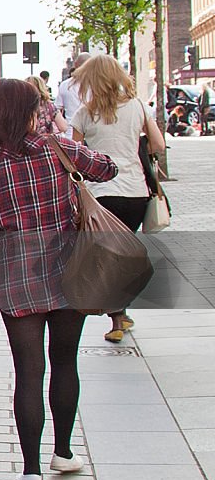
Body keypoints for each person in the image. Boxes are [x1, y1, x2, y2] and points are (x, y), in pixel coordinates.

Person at [0, 78, 116, 480]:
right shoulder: (55, 146)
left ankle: (30, 469)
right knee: (65, 360)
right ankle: (63, 453)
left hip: (15, 268)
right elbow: (107, 168)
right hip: (69, 264)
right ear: (30, 111)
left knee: (28, 372)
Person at [71, 55, 165, 343]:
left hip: (102, 195)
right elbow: (158, 144)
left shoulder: (85, 114)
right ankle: (120, 312)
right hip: (135, 193)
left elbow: (73, 156)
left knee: (109, 257)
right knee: (123, 254)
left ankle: (117, 318)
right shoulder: (137, 107)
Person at [55, 52, 90, 138]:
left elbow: (57, 109)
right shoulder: (98, 85)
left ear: (75, 65)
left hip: (71, 132)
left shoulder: (65, 85)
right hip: (92, 132)